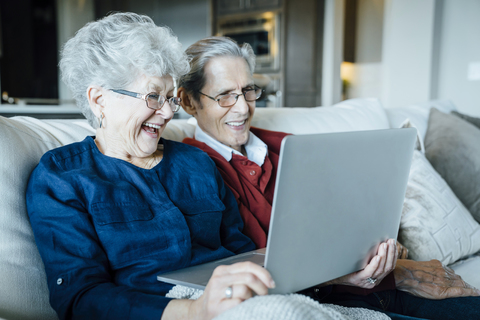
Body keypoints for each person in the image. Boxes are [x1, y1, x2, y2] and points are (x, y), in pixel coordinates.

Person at [177, 36, 480, 319]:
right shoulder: (197, 170)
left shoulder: (289, 145)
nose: (243, 108)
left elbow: (343, 212)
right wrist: (397, 272)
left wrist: (385, 247)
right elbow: (249, 264)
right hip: (335, 299)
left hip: (378, 285)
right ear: (189, 102)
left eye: (247, 91)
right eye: (225, 96)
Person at [26, 13, 278, 320]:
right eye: (153, 96)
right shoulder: (62, 178)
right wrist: (195, 311)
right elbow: (81, 297)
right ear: (99, 100)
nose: (167, 112)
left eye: (170, 98)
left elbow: (242, 251)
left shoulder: (196, 162)